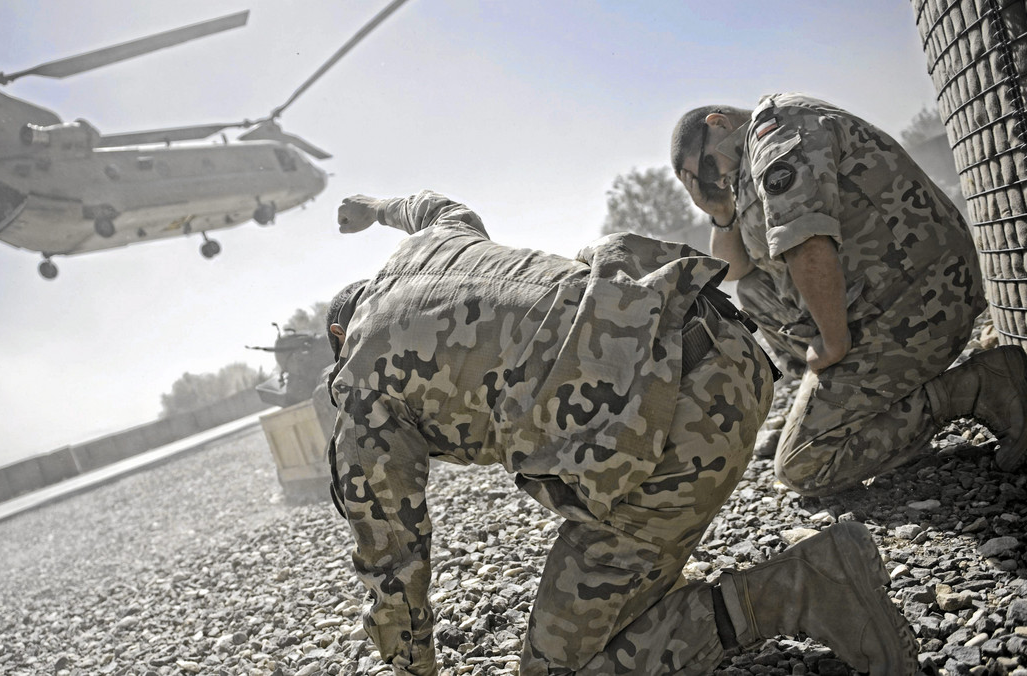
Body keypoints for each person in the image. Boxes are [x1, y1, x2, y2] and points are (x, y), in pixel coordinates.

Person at [323, 189, 917, 675]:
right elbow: (429, 204)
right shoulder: (434, 246)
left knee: (559, 671)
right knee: (607, 556)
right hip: (728, 349)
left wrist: (411, 666)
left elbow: (392, 558)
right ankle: (653, 592)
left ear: (339, 336)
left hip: (675, 429)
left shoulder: (359, 381)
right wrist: (375, 209)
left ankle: (805, 587)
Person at [672, 93, 1027, 497]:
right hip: (887, 296)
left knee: (803, 465)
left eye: (705, 168)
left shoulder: (775, 133)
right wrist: (720, 212)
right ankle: (858, 399)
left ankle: (977, 385)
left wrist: (832, 343)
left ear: (717, 123)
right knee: (754, 291)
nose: (712, 181)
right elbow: (733, 271)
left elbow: (806, 240)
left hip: (923, 301)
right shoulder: (748, 161)